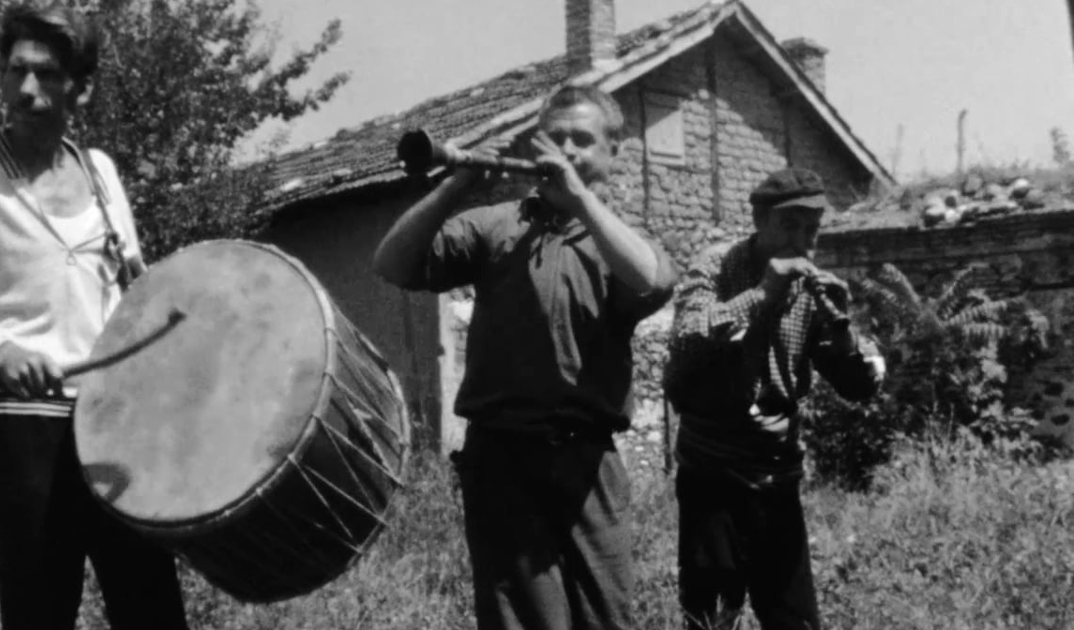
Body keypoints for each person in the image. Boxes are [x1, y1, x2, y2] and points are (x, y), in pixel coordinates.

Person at [0, 4, 187, 629]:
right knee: (40, 615)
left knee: (154, 611)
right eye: (15, 71)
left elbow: (135, 296)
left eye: (46, 74)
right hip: (28, 430)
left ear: (79, 88)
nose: (25, 89)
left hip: (119, 428)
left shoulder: (102, 175)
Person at [373, 84, 676, 630]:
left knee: (607, 616)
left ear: (614, 153)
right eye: (553, 139)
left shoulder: (617, 238)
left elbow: (652, 281)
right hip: (502, 461)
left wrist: (580, 198)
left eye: (581, 141)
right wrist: (457, 185)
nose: (564, 152)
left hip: (588, 463)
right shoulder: (494, 225)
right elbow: (392, 264)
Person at [663, 167, 885, 630]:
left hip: (775, 474)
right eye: (789, 226)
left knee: (795, 619)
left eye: (812, 230)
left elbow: (858, 388)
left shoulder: (813, 288)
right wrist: (763, 293)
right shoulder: (717, 266)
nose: (802, 242)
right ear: (759, 222)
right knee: (711, 618)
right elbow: (687, 336)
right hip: (712, 474)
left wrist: (842, 331)